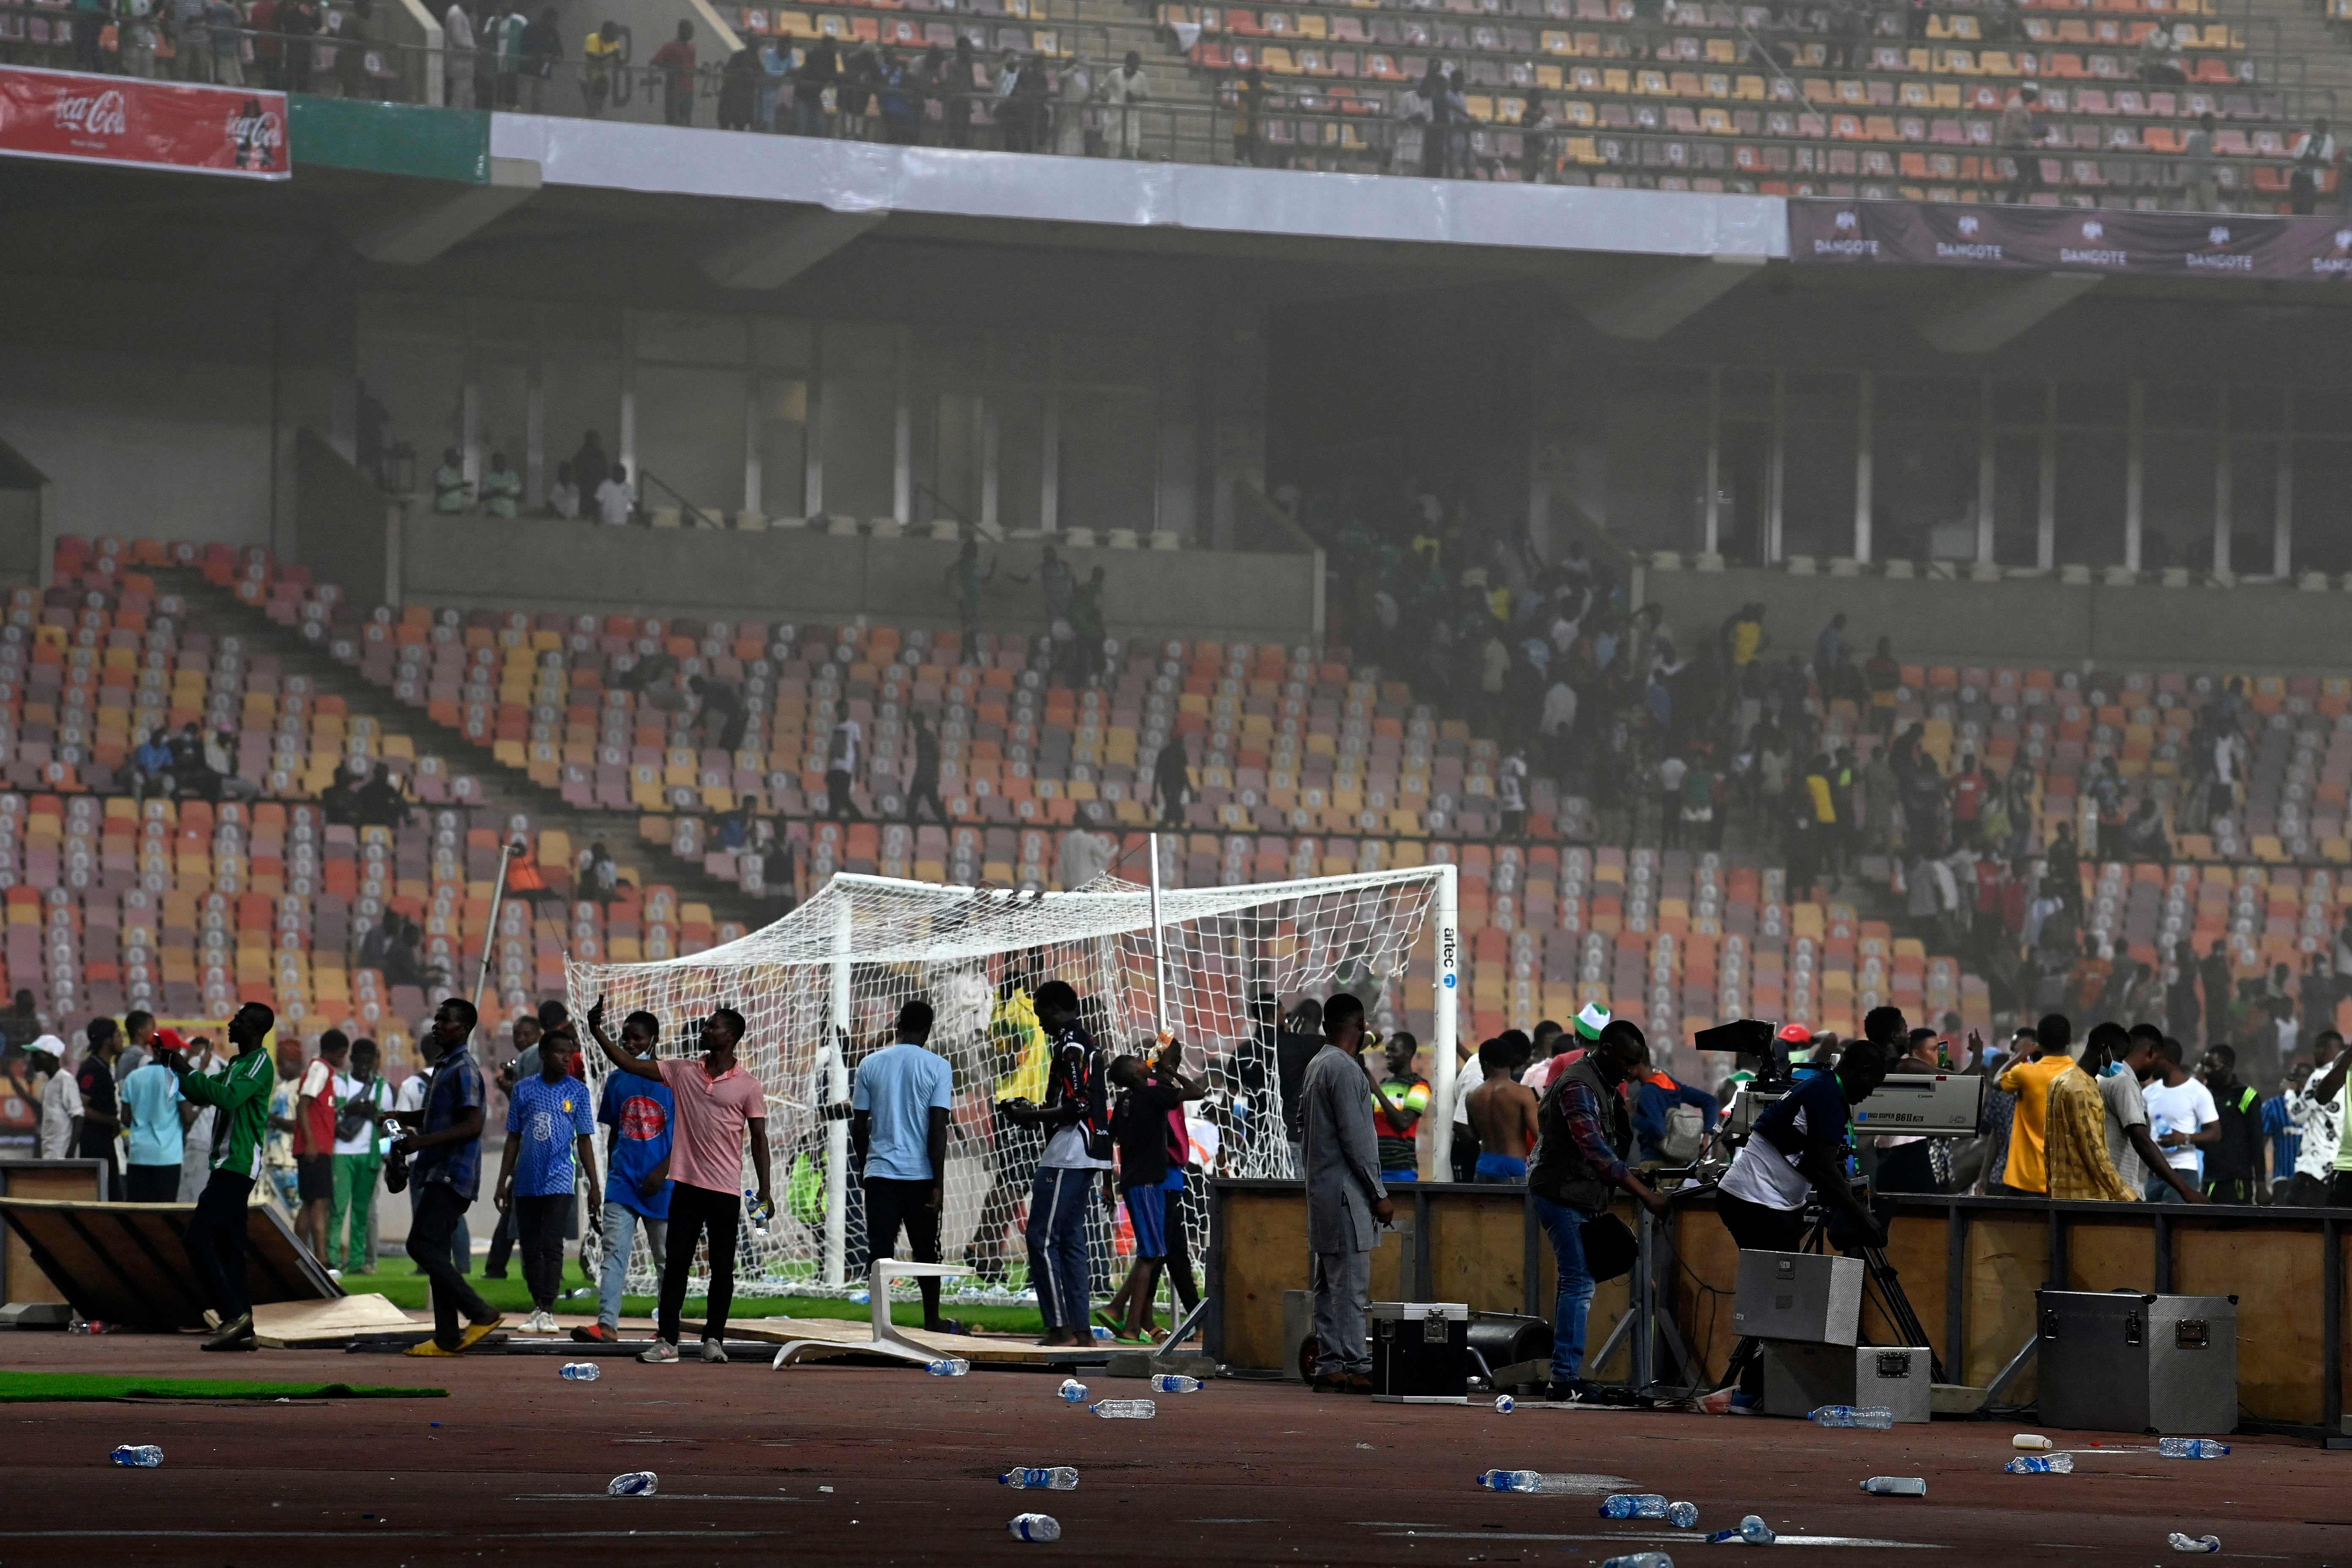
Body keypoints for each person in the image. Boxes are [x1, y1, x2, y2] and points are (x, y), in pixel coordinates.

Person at [592, 1000, 771, 1364]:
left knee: (722, 1268)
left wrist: (765, 1191)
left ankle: (713, 1339)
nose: (705, 1031)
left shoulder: (748, 1086)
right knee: (676, 1265)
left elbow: (759, 1138)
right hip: (686, 1186)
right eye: (706, 1025)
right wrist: (597, 1032)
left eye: (713, 1027)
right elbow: (628, 1063)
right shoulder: (681, 1071)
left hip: (724, 1190)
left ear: (732, 1036)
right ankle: (668, 1342)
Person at [1527, 1019, 1670, 1403]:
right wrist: (1645, 1194)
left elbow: (1602, 1151)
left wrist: (1631, 1175)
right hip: (1562, 1193)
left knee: (1578, 1281)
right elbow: (1594, 1150)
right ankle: (1564, 1379)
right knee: (1579, 1283)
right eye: (1627, 1061)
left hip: (1577, 1192)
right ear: (1607, 1050)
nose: (1631, 1070)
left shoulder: (1601, 1083)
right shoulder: (1579, 1085)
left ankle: (1565, 1375)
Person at [387, 998, 504, 1356]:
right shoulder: (445, 1066)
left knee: (419, 1246)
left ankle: (480, 1311)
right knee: (436, 1250)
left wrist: (421, 1141)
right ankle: (447, 1337)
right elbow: (438, 1115)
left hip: (453, 1173)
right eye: (436, 1020)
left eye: (445, 1021)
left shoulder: (465, 1069)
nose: (436, 1026)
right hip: (438, 1170)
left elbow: (471, 1124)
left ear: (463, 1028)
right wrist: (400, 1116)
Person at [1000, 980, 1110, 1348]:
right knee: (1071, 1240)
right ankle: (1082, 1331)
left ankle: (1059, 1328)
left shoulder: (1071, 1043)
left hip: (1069, 1151)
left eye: (1041, 1014)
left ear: (1053, 1009)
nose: (1041, 1022)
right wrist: (1037, 1111)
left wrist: (1030, 1117)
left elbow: (1077, 1104)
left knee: (1041, 1237)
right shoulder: (1082, 1040)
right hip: (1088, 1148)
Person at [166, 1004, 279, 1351]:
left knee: (197, 1239)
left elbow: (228, 1098)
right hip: (228, 1164)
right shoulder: (236, 1065)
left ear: (257, 1030)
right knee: (230, 1247)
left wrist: (187, 1068)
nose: (232, 1023)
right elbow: (202, 1093)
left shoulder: (259, 1063)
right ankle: (243, 1327)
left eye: (240, 1020)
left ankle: (233, 1315)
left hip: (238, 1165)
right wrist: (180, 1070)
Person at [1298, 993, 1393, 1394]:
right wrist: (1379, 1193)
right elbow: (1358, 1141)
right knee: (1351, 1286)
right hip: (1347, 1196)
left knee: (1327, 1285)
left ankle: (1332, 1362)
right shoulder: (1348, 1070)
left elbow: (1302, 1124)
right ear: (1362, 1026)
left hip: (1322, 1192)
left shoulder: (1316, 1065)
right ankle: (1356, 1363)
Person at [851, 998, 961, 1336]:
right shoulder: (938, 1066)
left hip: (881, 1173)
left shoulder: (870, 1064)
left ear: (898, 1025)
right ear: (929, 1029)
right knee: (926, 1250)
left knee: (880, 1250)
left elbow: (858, 1124)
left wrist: (864, 1163)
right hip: (920, 1175)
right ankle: (932, 1320)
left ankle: (880, 1325)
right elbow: (937, 1127)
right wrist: (938, 1183)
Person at [495, 1023, 601, 1334]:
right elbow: (513, 1137)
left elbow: (584, 1140)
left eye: (570, 1053)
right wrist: (503, 1182)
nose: (566, 1059)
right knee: (529, 1247)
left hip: (560, 1178)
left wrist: (594, 1185)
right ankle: (536, 1304)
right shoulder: (524, 1090)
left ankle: (547, 1309)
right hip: (526, 1179)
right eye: (559, 1052)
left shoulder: (578, 1091)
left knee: (552, 1245)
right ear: (543, 1055)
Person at [576, 1007, 672, 1344]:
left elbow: (687, 1135)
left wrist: (664, 1170)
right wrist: (610, 1175)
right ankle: (606, 1325)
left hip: (663, 1184)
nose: (631, 1045)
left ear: (654, 1040)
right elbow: (615, 1133)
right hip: (624, 1182)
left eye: (638, 1039)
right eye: (626, 1039)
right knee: (614, 1251)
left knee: (666, 1260)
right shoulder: (616, 1081)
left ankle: (668, 1328)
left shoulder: (673, 1080)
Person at [1105, 1045, 1197, 1342]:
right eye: (1136, 1060)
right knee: (1150, 1255)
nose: (1142, 1060)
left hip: (1135, 1181)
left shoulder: (1126, 1100)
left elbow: (1109, 1140)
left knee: (1152, 1253)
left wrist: (1109, 1182)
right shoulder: (1154, 1095)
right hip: (1148, 1183)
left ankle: (1126, 1317)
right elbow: (1196, 1092)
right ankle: (1131, 1325)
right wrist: (1170, 1071)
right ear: (1135, 1073)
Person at [2105, 1024, 2205, 1204]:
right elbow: (2141, 1140)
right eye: (2158, 1060)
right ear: (2152, 1052)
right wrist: (2185, 1190)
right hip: (2116, 1190)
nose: (2155, 1070)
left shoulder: (2108, 1073)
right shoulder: (2125, 1082)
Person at [2044, 1026, 2137, 1202]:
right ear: (2104, 1049)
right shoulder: (2081, 1090)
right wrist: (2130, 1199)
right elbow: (2095, 1153)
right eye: (2119, 1057)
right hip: (2086, 1199)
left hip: (2060, 1194)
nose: (2121, 1064)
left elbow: (2049, 1145)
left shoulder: (2060, 1081)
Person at [1995, 1013, 2078, 1196]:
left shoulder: (2025, 1073)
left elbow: (1996, 1082)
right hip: (2064, 1180)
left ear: (2038, 1042)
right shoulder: (2079, 1075)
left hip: (2025, 1181)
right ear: (2069, 1040)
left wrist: (2021, 1055)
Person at [331, 1037, 392, 1274]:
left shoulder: (382, 1088)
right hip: (341, 1153)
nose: (366, 1067)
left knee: (361, 1211)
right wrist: (350, 1109)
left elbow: (387, 1126)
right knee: (337, 1209)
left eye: (370, 1062)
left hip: (370, 1156)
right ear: (352, 1060)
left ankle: (357, 1262)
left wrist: (385, 1157)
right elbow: (329, 1118)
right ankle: (333, 1260)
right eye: (362, 1062)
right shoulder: (339, 1084)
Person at [286, 1031, 346, 1265]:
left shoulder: (323, 1071)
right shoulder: (320, 1069)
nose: (344, 1059)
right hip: (315, 1147)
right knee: (321, 1201)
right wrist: (311, 1141)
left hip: (316, 1145)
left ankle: (301, 1255)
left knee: (310, 1202)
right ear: (333, 1051)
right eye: (342, 1054)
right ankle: (322, 1258)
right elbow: (304, 1103)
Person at [2142, 1036, 2219, 1203]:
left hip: (2184, 1171)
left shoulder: (2197, 1092)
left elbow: (2215, 1133)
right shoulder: (2149, 1093)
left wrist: (2184, 1138)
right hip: (2155, 1173)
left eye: (2154, 1057)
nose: (2150, 1062)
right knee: (2152, 1226)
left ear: (2167, 1060)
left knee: (2172, 1224)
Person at [120, 1043, 190, 1202]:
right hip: (168, 1158)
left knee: (138, 1212)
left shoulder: (134, 1076)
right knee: (164, 1214)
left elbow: (125, 1118)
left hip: (138, 1155)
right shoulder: (175, 1078)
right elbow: (188, 1117)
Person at [1463, 1034, 1538, 1183]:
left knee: (1485, 1206)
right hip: (1514, 1165)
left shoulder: (1472, 1096)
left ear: (1484, 1064)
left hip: (1484, 1165)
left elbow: (1476, 1135)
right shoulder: (1522, 1092)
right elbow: (1538, 1134)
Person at [2284, 1032, 2346, 1207]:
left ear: (2328, 1049)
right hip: (2341, 1167)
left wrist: (2290, 1092)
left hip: (2315, 1168)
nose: (2315, 1053)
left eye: (2319, 1047)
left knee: (2293, 1225)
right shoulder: (2349, 1077)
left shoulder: (2320, 1076)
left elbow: (2297, 1115)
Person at [2197, 1043, 2264, 1204]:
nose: (2206, 1071)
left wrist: (2261, 1184)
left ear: (2227, 1068)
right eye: (2204, 1066)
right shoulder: (2205, 1096)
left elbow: (2257, 1142)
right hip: (2208, 1179)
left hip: (2236, 1180)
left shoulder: (2246, 1096)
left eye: (2212, 1067)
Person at [1365, 1033, 1428, 1184]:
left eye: (1393, 1050)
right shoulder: (1384, 1084)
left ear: (1408, 1054)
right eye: (1387, 1050)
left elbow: (1404, 1122)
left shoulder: (1419, 1085)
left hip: (1402, 1170)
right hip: (1375, 1169)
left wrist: (1376, 1090)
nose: (1387, 1054)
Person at [75, 1018, 123, 1200]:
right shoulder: (92, 1069)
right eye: (118, 1035)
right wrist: (111, 1120)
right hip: (95, 1145)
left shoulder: (103, 1067)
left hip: (105, 1142)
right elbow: (81, 1106)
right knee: (104, 1196)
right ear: (108, 1040)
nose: (121, 1040)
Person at [651, 19, 696, 126]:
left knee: (686, 120)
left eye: (691, 31)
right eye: (688, 31)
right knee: (673, 120)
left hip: (689, 91)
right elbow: (655, 61)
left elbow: (691, 66)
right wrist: (673, 68)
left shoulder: (692, 48)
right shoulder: (670, 46)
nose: (690, 34)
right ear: (680, 31)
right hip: (674, 90)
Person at [1104, 49, 1147, 157]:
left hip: (1133, 119)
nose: (1135, 66)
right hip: (1116, 119)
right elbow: (1104, 89)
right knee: (1114, 151)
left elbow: (1146, 96)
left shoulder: (1141, 77)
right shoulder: (1115, 74)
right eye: (1133, 63)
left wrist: (1135, 98)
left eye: (1137, 64)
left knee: (1133, 152)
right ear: (1127, 62)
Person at [825, 698, 861, 820]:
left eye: (847, 710)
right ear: (837, 711)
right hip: (834, 768)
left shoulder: (853, 727)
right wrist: (828, 769)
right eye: (842, 710)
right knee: (833, 799)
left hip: (845, 768)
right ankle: (833, 822)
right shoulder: (832, 728)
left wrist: (858, 769)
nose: (845, 713)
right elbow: (831, 750)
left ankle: (859, 819)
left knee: (843, 797)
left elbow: (857, 750)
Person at [2180, 110, 2220, 213]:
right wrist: (2214, 174)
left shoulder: (2193, 136)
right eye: (2211, 122)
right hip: (2204, 179)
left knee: (2191, 208)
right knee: (2210, 209)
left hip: (2192, 177)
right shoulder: (2205, 137)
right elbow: (2204, 158)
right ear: (2205, 123)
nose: (2214, 124)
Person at [1152, 734, 1192, 827]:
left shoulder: (1180, 752)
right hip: (1168, 784)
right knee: (1172, 804)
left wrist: (1190, 789)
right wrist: (1154, 793)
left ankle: (1169, 824)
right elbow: (1158, 773)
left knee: (1173, 804)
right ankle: (1171, 824)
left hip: (1177, 784)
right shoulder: (1166, 753)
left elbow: (1183, 772)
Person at [595, 460, 634, 526]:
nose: (622, 476)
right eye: (620, 473)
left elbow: (635, 502)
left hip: (622, 523)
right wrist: (597, 518)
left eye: (624, 474)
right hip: (607, 523)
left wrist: (642, 517)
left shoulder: (629, 488)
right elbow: (598, 502)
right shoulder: (605, 485)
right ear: (614, 474)